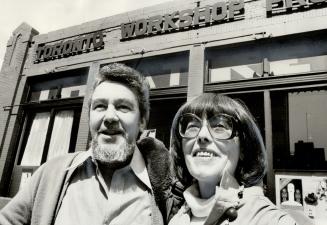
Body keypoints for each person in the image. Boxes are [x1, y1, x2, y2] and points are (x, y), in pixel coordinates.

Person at [0, 63, 173, 225]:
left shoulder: (168, 189)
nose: (110, 117)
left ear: (142, 121)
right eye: (100, 106)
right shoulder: (51, 173)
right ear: (90, 116)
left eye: (122, 107)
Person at [168, 93, 301, 225]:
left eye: (219, 127)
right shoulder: (175, 219)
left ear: (243, 149)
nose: (202, 135)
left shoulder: (272, 220)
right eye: (192, 127)